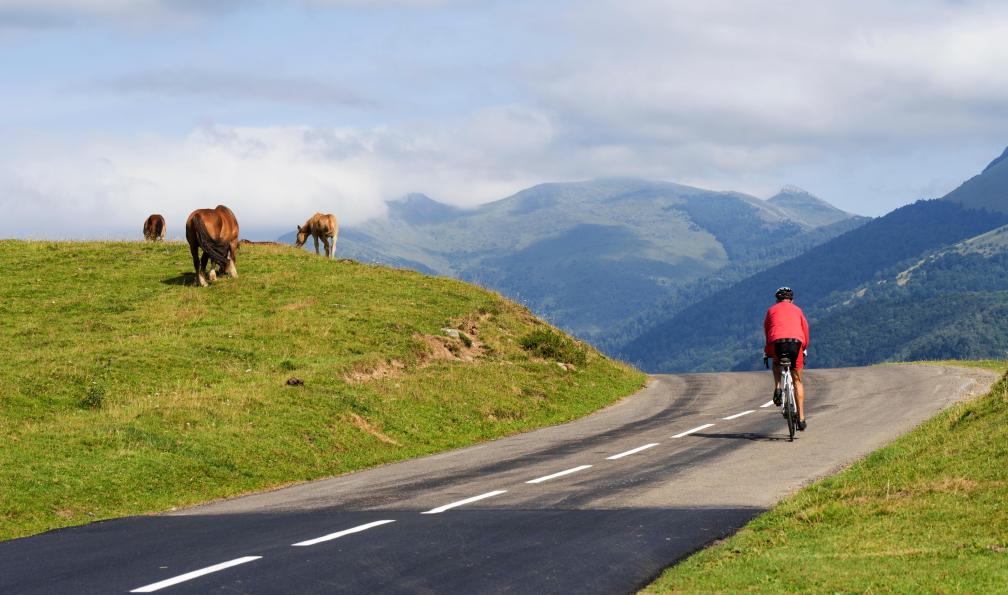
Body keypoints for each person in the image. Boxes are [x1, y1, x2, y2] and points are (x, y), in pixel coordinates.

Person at [764, 287, 810, 430]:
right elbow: (805, 331)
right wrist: (804, 348)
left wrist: (768, 352)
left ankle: (778, 387)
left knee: (776, 363)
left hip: (777, 343)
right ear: (792, 300)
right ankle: (801, 418)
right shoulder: (798, 310)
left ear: (777, 300)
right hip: (796, 344)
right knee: (797, 381)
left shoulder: (771, 310)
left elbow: (768, 332)